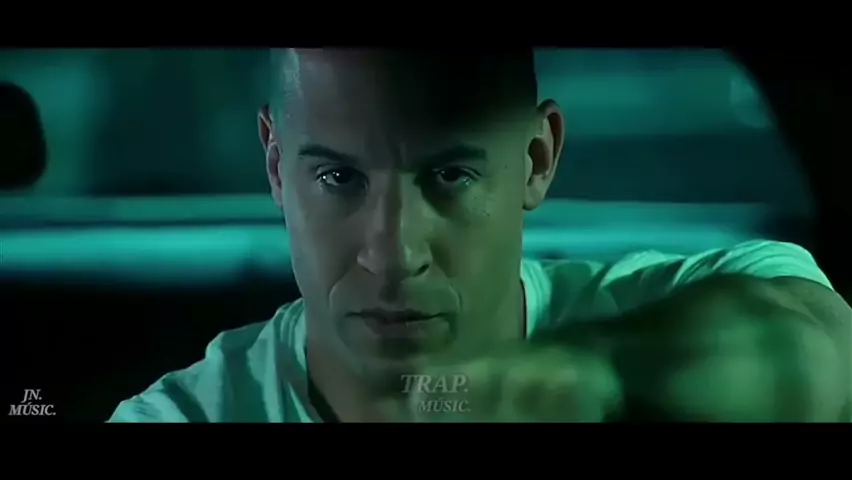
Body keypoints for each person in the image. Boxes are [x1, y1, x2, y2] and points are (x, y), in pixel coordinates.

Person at [109, 49, 850, 422]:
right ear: (276, 165)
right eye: (338, 177)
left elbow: (822, 351)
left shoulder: (665, 307)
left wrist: (594, 374)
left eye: (450, 176)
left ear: (537, 159)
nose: (394, 253)